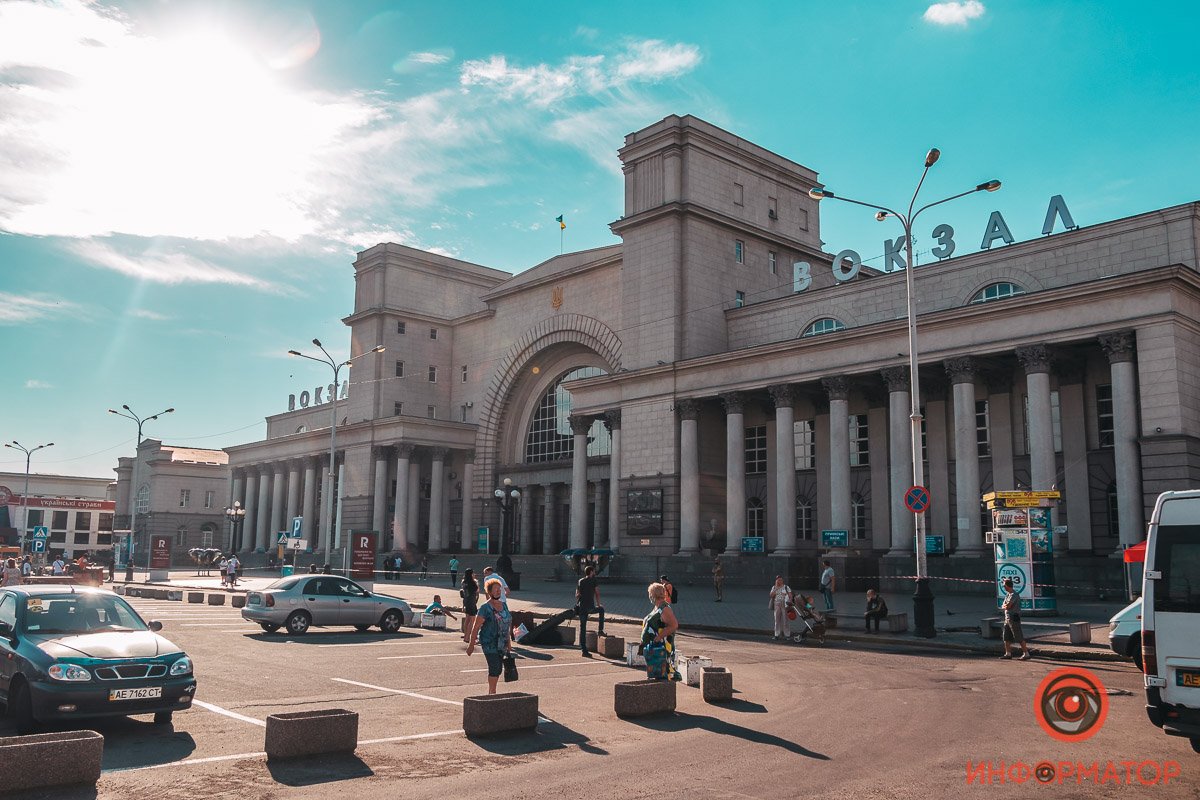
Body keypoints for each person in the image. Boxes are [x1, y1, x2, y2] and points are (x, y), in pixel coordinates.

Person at [466, 578, 513, 695]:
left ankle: (492, 690)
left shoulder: (504, 606)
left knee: (498, 669)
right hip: (489, 642)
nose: (498, 591)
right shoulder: (485, 608)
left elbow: (506, 625)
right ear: (490, 592)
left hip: (501, 642)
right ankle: (492, 692)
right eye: (495, 589)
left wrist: (509, 642)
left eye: (499, 589)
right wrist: (471, 645)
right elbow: (476, 627)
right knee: (495, 666)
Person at [640, 582, 680, 680]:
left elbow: (674, 625)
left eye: (650, 594)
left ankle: (665, 693)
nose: (649, 596)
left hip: (662, 648)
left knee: (664, 673)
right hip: (654, 649)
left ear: (654, 595)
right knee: (657, 673)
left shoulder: (665, 609)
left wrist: (659, 637)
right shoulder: (658, 607)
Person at [576, 564, 606, 655]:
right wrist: (598, 604)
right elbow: (597, 593)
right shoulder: (593, 580)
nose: (594, 572)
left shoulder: (580, 581)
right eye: (593, 571)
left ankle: (584, 650)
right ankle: (600, 630)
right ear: (591, 572)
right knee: (601, 610)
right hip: (590, 607)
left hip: (582, 608)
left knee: (582, 628)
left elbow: (577, 595)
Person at [1000, 578, 1032, 660]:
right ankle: (1008, 653)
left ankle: (1026, 653)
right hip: (1007, 618)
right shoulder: (1008, 594)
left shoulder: (1014, 595)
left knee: (1018, 636)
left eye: (1004, 585)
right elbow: (1003, 605)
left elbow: (1007, 606)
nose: (1003, 587)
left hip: (1014, 618)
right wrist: (1005, 606)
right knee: (1006, 636)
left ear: (1007, 585)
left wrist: (1005, 606)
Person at [768, 575, 793, 641]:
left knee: (785, 620)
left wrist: (789, 600)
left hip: (784, 605)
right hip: (777, 604)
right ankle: (776, 634)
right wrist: (776, 588)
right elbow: (771, 595)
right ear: (776, 581)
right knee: (777, 620)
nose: (779, 581)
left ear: (782, 580)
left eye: (780, 580)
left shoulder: (786, 587)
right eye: (778, 580)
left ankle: (787, 635)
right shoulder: (774, 587)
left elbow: (790, 596)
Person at [459, 568, 480, 642]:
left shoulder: (464, 582)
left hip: (466, 601)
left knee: (467, 619)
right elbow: (477, 591)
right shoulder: (473, 582)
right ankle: (468, 637)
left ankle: (465, 635)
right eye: (473, 573)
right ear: (471, 574)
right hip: (471, 601)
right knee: (472, 620)